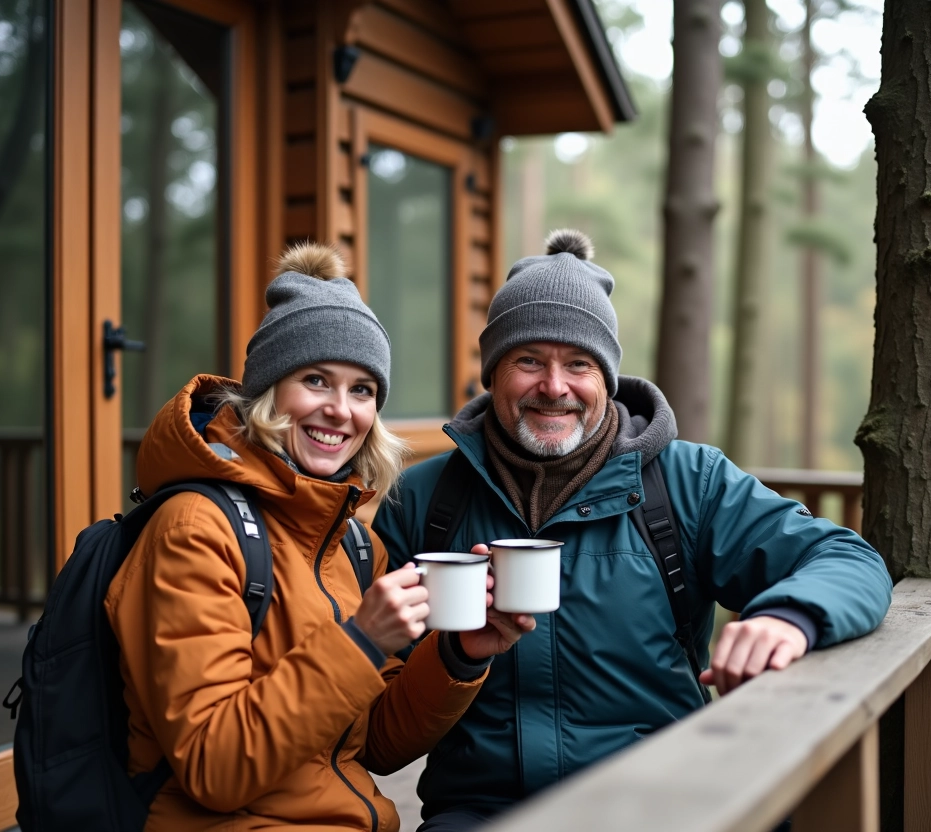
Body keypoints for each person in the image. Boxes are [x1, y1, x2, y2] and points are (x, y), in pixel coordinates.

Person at [373, 229, 894, 831]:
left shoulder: (686, 483)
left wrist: (790, 617)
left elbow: (846, 557)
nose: (555, 386)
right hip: (483, 809)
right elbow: (383, 722)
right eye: (527, 360)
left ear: (608, 378)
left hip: (667, 799)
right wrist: (455, 658)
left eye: (579, 363)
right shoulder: (423, 499)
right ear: (493, 373)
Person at [105, 243, 535, 831]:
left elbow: (374, 744)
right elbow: (214, 765)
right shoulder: (193, 530)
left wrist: (458, 654)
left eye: (362, 390)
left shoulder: (355, 548)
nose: (340, 410)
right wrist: (361, 640)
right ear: (268, 392)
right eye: (315, 380)